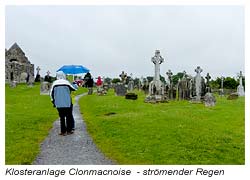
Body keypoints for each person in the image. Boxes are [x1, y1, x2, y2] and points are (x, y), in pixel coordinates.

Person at [50, 71, 77, 136]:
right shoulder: (67, 82)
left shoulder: (54, 83)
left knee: (62, 117)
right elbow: (74, 89)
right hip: (67, 102)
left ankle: (63, 131)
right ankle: (69, 130)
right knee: (69, 116)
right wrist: (73, 83)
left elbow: (51, 93)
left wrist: (53, 101)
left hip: (58, 103)